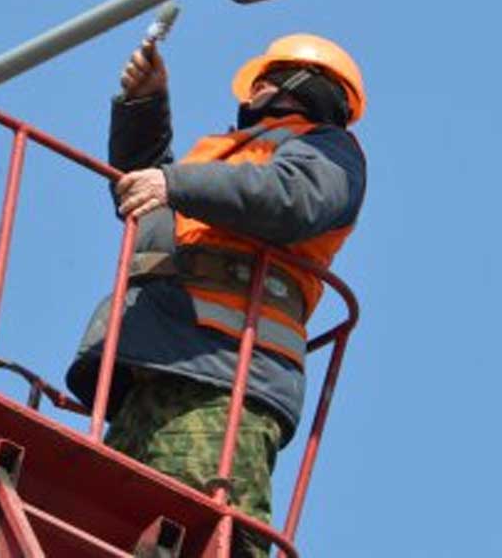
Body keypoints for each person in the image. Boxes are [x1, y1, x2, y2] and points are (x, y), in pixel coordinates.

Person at [65, 33, 367, 556]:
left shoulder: (327, 152)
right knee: (111, 530)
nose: (255, 88)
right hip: (156, 368)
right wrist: (145, 106)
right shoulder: (223, 158)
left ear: (306, 85)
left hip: (227, 377)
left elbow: (292, 199)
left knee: (208, 533)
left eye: (268, 77)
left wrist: (175, 184)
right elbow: (148, 198)